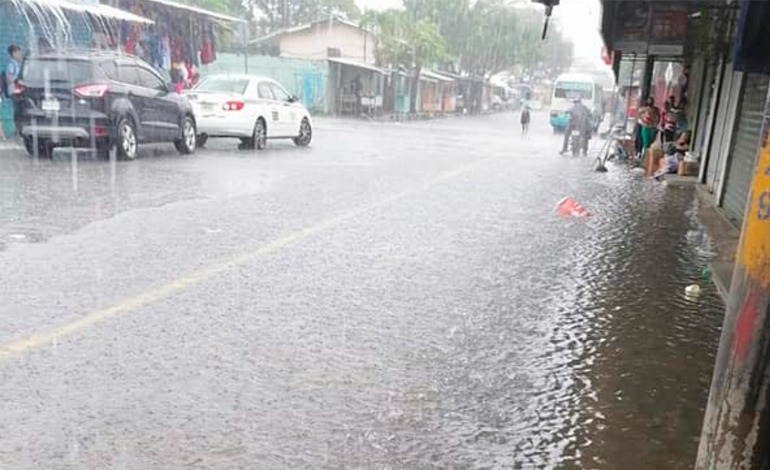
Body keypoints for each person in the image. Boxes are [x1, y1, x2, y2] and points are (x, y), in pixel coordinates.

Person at [5, 44, 23, 136]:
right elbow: (9, 78)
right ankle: (17, 130)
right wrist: (18, 80)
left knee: (20, 111)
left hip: (18, 91)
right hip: (14, 91)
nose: (20, 55)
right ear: (14, 53)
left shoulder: (16, 65)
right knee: (18, 111)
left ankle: (18, 130)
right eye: (18, 53)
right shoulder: (11, 65)